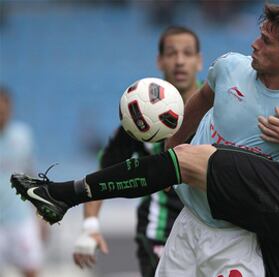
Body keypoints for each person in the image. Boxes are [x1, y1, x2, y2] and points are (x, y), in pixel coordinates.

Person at [10, 3, 279, 276]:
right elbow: (203, 97)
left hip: (236, 233)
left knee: (197, 160)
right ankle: (63, 196)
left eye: (266, 41)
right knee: (188, 159)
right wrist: (175, 140)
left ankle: (65, 195)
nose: (255, 45)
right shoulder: (230, 66)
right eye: (259, 35)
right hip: (189, 220)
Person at [72, 26, 203, 277]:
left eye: (187, 53)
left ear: (199, 61)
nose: (179, 61)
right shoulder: (140, 114)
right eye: (171, 53)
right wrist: (90, 225)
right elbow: (103, 172)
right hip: (159, 231)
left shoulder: (218, 107)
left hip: (209, 230)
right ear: (159, 60)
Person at [0, 86, 44, 277]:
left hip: (20, 218)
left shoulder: (22, 136)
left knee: (31, 270)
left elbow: (31, 176)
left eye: (4, 108)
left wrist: (41, 214)